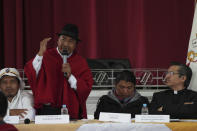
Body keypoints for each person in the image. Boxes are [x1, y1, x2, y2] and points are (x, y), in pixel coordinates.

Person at [24, 24, 93, 119]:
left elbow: (86, 87)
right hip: (48, 109)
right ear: (58, 40)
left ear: (76, 45)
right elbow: (31, 73)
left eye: (71, 41)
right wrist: (40, 54)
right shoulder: (46, 55)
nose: (65, 44)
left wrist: (70, 76)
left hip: (70, 108)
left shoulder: (80, 62)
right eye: (63, 39)